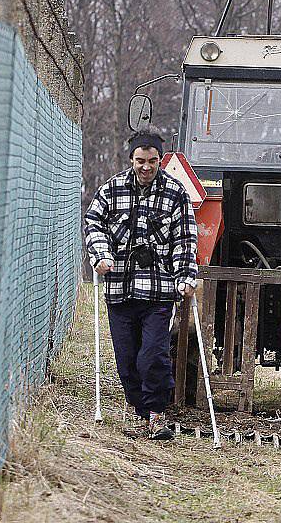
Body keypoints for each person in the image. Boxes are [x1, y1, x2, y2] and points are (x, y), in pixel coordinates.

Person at [84, 127, 198, 440]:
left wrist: (185, 275)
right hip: (119, 288)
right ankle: (140, 409)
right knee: (127, 359)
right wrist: (101, 255)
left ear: (161, 160)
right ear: (131, 159)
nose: (146, 167)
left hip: (159, 291)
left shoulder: (175, 193)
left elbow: (186, 238)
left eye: (152, 160)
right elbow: (93, 223)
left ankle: (157, 414)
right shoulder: (112, 189)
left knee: (153, 355)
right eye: (140, 160)